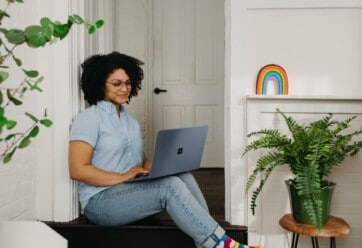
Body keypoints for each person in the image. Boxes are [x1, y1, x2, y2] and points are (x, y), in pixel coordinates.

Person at [68, 51, 260, 248]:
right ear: (100, 84)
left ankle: (211, 238)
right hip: (100, 202)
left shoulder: (130, 122)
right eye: (117, 84)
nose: (124, 88)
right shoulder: (90, 118)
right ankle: (220, 243)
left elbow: (140, 161)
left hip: (127, 191)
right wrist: (123, 177)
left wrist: (163, 167)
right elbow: (77, 169)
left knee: (182, 176)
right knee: (169, 187)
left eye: (128, 83)